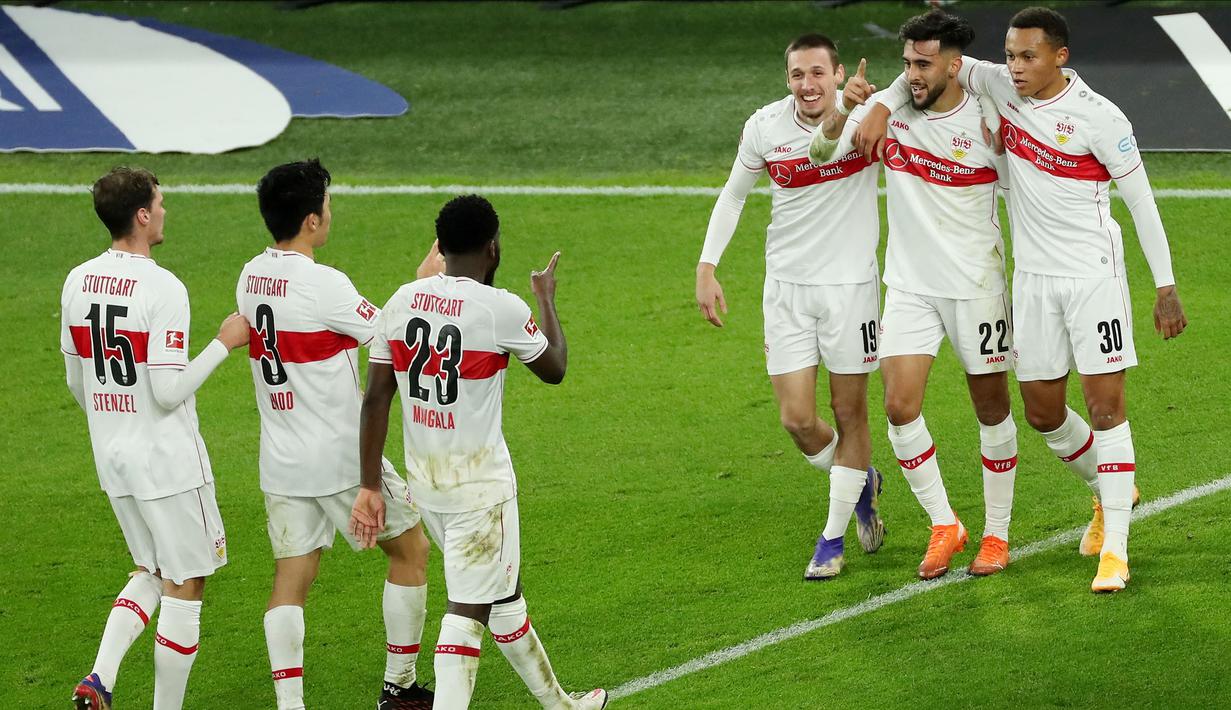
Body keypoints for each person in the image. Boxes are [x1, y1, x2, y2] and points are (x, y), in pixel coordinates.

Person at [855, 6, 1187, 591]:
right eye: (1009, 54)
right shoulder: (995, 84)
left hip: (1091, 279)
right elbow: (922, 73)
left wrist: (1165, 286)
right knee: (1041, 414)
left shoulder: (1101, 118)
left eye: (1028, 56)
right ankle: (1111, 488)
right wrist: (878, 103)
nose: (1015, 66)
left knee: (1106, 406)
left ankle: (1115, 549)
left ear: (1060, 56)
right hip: (1031, 283)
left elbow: (1142, 203)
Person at [350, 195, 606, 709]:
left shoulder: (401, 301)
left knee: (502, 595)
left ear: (440, 248)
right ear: (493, 248)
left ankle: (562, 706)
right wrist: (546, 298)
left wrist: (371, 485)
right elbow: (554, 367)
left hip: (428, 487)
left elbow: (376, 398)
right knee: (467, 613)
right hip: (482, 492)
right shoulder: (500, 308)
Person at [811, 10, 1018, 579]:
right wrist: (847, 109)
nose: (912, 74)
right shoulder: (892, 111)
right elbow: (820, 155)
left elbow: (1024, 194)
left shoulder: (988, 115)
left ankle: (997, 535)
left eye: (924, 64)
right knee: (900, 407)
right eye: (907, 64)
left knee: (991, 408)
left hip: (977, 286)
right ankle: (944, 523)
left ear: (956, 66)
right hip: (908, 286)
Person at [236, 159, 435, 710]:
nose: (330, 211)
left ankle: (290, 705)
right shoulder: (326, 285)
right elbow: (393, 336)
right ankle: (399, 688)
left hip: (281, 460)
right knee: (411, 550)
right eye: (325, 204)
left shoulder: (250, 275)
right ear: (309, 221)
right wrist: (423, 286)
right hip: (340, 457)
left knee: (291, 578)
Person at [694, 33, 885, 580]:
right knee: (798, 419)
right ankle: (862, 482)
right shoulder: (764, 127)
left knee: (851, 414)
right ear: (788, 79)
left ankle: (832, 537)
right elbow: (733, 195)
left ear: (839, 72)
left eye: (817, 73)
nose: (807, 84)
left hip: (851, 288)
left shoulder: (868, 117)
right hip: (786, 290)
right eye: (798, 74)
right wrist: (707, 266)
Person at [63, 167, 250, 709]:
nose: (166, 211)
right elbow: (168, 392)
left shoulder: (77, 279)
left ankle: (99, 678)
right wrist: (223, 343)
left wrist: (113, 421)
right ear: (142, 215)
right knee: (187, 583)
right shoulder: (163, 287)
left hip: (113, 457)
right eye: (160, 204)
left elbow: (78, 379)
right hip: (167, 463)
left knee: (152, 568)